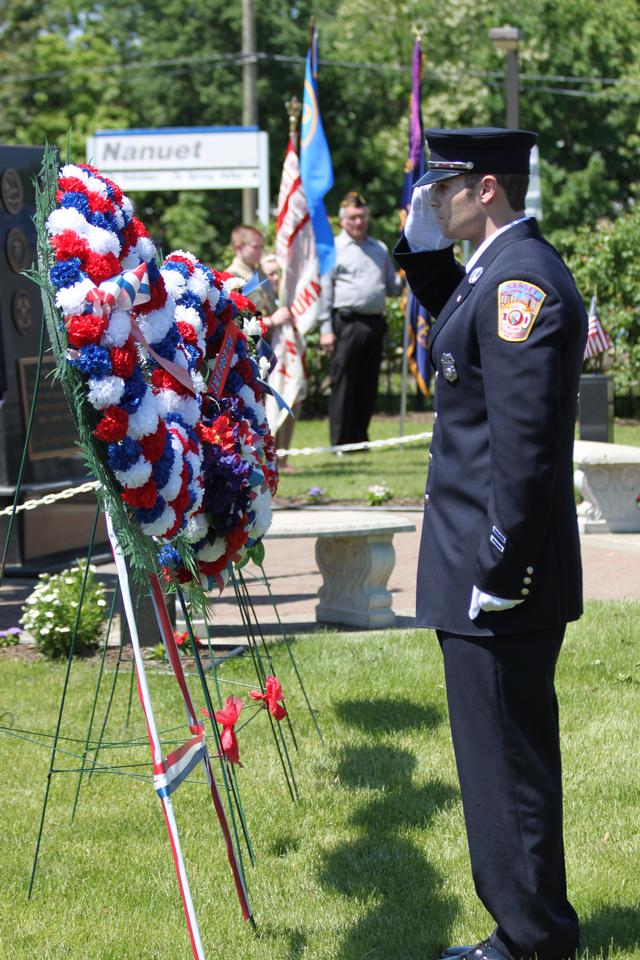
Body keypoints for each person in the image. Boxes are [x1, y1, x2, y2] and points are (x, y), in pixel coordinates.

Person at [394, 128, 587, 960]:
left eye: (444, 190)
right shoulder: (496, 273)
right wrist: (416, 248)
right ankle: (533, 925)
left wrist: (504, 567)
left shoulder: (520, 280)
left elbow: (525, 443)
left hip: (498, 570)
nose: (434, 202)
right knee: (505, 756)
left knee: (503, 764)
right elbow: (457, 334)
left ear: (487, 191)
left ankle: (529, 938)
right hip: (486, 565)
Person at [319, 191, 402, 448]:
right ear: (343, 221)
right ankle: (341, 441)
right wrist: (326, 328)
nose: (359, 222)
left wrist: (409, 273)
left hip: (374, 323)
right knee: (344, 382)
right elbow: (325, 290)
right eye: (353, 218)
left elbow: (392, 287)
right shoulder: (333, 248)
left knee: (368, 382)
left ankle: (359, 438)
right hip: (346, 322)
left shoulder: (379, 248)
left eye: (362, 217)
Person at [226, 225, 291, 330]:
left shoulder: (260, 274)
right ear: (239, 247)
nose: (260, 251)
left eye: (262, 247)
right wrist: (271, 321)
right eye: (255, 247)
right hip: (251, 343)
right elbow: (236, 320)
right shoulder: (231, 278)